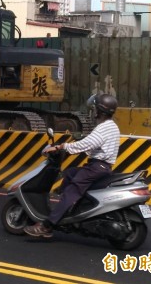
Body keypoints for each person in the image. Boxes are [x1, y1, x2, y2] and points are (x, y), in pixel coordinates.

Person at [24, 94, 120, 238]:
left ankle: (47, 226)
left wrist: (60, 147)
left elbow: (87, 144)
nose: (92, 111)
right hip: (101, 167)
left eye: (94, 108)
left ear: (99, 111)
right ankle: (67, 210)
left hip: (96, 168)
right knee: (70, 173)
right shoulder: (111, 126)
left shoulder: (103, 128)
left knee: (71, 191)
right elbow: (92, 142)